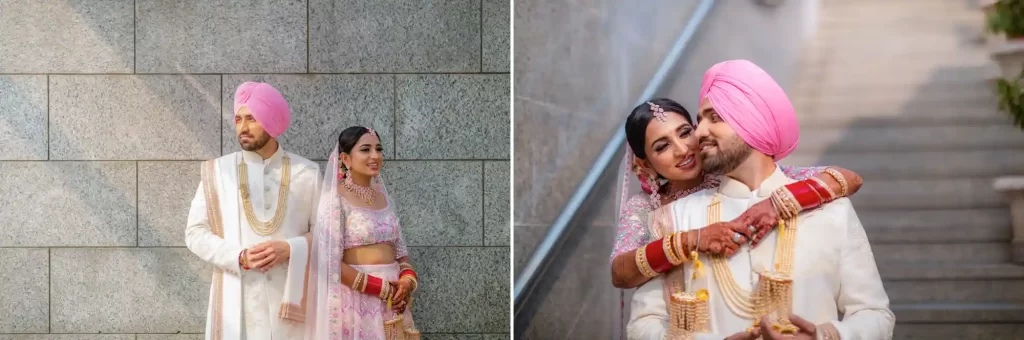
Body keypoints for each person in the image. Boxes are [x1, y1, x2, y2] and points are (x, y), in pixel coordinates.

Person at [627, 60, 894, 340]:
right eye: (699, 120)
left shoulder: (832, 210)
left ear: (751, 119)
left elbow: (875, 315)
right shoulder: (673, 220)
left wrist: (824, 336)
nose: (699, 132)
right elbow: (643, 325)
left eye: (714, 117)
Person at [610, 98, 864, 289]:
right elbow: (620, 273)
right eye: (662, 146)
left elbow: (848, 178)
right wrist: (692, 240)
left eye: (685, 133)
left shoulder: (731, 174)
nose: (682, 149)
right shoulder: (646, 207)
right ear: (644, 165)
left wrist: (776, 205)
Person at [185, 82, 320, 340]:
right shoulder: (218, 172)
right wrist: (239, 256)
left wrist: (290, 248)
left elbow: (327, 235)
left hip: (290, 306)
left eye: (252, 119)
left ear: (272, 121)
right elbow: (194, 233)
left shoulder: (307, 173)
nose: (243, 128)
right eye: (238, 119)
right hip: (236, 302)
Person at [304, 126, 421, 339]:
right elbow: (329, 261)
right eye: (365, 149)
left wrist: (406, 282)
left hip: (394, 302)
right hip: (356, 301)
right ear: (345, 159)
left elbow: (400, 253)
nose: (375, 156)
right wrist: (382, 289)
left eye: (379, 149)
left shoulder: (384, 198)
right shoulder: (335, 199)